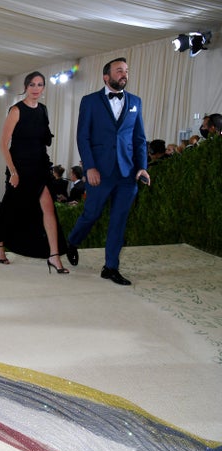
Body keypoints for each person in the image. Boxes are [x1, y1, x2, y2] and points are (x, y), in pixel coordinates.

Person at [67, 57, 150, 285]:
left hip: (127, 174)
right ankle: (72, 241)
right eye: (119, 71)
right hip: (99, 172)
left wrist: (142, 166)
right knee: (91, 215)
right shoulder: (90, 101)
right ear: (106, 76)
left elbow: (139, 138)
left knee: (119, 220)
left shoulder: (135, 101)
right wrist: (89, 167)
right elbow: (82, 136)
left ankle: (110, 267)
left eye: (126, 71)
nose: (124, 74)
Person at [0, 71, 69, 273]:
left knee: (48, 208)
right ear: (26, 87)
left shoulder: (43, 110)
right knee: (13, 208)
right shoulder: (16, 110)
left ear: (43, 88)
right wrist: (13, 172)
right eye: (32, 84)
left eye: (40, 84)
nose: (36, 88)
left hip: (40, 166)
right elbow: (3, 145)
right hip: (20, 168)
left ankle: (54, 256)